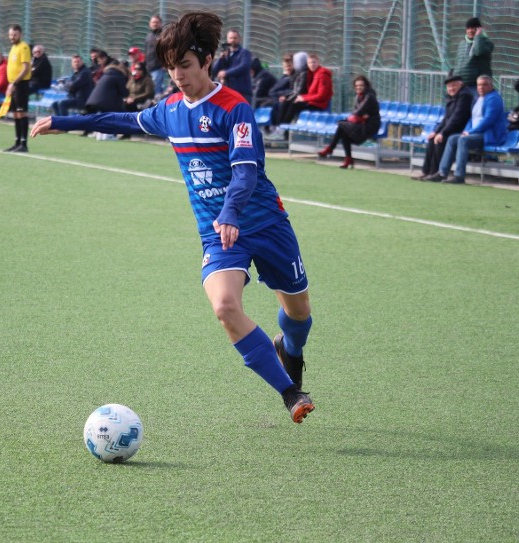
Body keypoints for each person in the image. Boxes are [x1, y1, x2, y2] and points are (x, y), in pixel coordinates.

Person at [31, 11, 315, 424]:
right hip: (218, 234)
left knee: (299, 313)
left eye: (185, 64)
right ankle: (290, 392)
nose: (178, 75)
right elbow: (123, 120)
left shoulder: (234, 109)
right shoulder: (170, 110)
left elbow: (246, 170)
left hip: (266, 224)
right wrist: (65, 121)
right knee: (224, 306)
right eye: (170, 67)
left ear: (207, 61)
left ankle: (290, 349)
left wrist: (232, 211)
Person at [426, 75, 507, 184]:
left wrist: (470, 132)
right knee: (452, 138)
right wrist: (466, 130)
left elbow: (488, 120)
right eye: (479, 85)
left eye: (484, 85)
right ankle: (442, 173)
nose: (481, 87)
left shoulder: (494, 99)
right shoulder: (478, 98)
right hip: (475, 134)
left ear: (491, 86)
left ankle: (459, 175)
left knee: (462, 140)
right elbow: (471, 119)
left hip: (489, 135)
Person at [414, 75, 473, 180]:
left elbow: (457, 118)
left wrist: (442, 133)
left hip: (461, 129)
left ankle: (436, 172)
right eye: (449, 87)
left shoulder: (465, 96)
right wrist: (436, 131)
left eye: (454, 85)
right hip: (451, 128)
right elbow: (446, 118)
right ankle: (426, 172)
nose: (451, 89)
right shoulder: (453, 97)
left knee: (440, 140)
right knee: (432, 139)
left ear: (461, 85)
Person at [317, 75, 380, 169]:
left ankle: (331, 149)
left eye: (361, 85)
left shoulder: (369, 96)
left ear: (366, 86)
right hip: (362, 123)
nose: (358, 87)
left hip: (370, 125)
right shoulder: (358, 96)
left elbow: (358, 112)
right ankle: (347, 158)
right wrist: (358, 115)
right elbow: (356, 112)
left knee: (341, 125)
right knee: (343, 133)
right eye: (357, 86)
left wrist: (358, 115)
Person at [270, 53, 333, 138]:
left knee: (293, 104)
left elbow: (321, 96)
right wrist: (288, 97)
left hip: (319, 104)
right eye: (310, 63)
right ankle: (281, 129)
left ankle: (283, 130)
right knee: (287, 102)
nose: (312, 65)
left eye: (314, 62)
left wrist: (303, 98)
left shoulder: (322, 75)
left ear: (318, 62)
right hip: (311, 101)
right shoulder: (312, 74)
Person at [3, 24, 32, 153]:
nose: (12, 37)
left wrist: (14, 83)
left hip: (21, 85)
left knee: (21, 113)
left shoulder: (24, 47)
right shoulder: (13, 48)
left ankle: (24, 144)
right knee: (16, 114)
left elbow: (25, 68)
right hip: (14, 84)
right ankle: (17, 142)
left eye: (14, 35)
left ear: (20, 34)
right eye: (10, 35)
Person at [210, 27, 253, 103]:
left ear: (239, 39)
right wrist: (221, 58)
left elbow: (244, 66)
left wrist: (226, 73)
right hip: (228, 91)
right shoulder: (226, 54)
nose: (232, 40)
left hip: (242, 92)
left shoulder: (244, 53)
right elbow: (214, 70)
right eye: (230, 38)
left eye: (235, 38)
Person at [453, 17, 494, 95]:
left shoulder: (486, 43)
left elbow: (478, 51)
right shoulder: (462, 43)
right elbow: (457, 63)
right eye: (468, 28)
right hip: (461, 85)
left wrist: (478, 37)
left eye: (473, 28)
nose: (470, 30)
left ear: (479, 29)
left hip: (476, 86)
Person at [145, 15, 166, 95]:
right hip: (148, 68)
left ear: (161, 23)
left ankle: (157, 106)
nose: (155, 24)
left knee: (155, 90)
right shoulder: (148, 36)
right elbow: (146, 51)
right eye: (153, 22)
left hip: (158, 68)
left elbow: (166, 50)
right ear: (150, 24)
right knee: (151, 90)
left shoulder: (163, 35)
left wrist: (165, 64)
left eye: (157, 22)